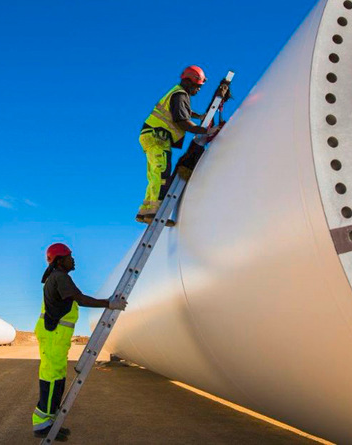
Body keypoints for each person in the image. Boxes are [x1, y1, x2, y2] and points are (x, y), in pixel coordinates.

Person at [32, 242, 127, 441]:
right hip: (54, 334)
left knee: (56, 376)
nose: (73, 259)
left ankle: (50, 422)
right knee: (51, 378)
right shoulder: (60, 277)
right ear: (60, 260)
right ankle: (42, 424)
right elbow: (80, 299)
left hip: (54, 335)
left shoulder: (56, 277)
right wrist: (109, 303)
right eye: (69, 256)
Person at [135, 65, 220, 224]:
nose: (198, 90)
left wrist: (199, 116)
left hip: (152, 136)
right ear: (189, 82)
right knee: (161, 174)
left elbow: (183, 112)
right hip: (157, 137)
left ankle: (145, 212)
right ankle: (155, 214)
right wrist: (206, 131)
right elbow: (182, 121)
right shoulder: (180, 95)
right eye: (197, 86)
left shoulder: (177, 93)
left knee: (155, 174)